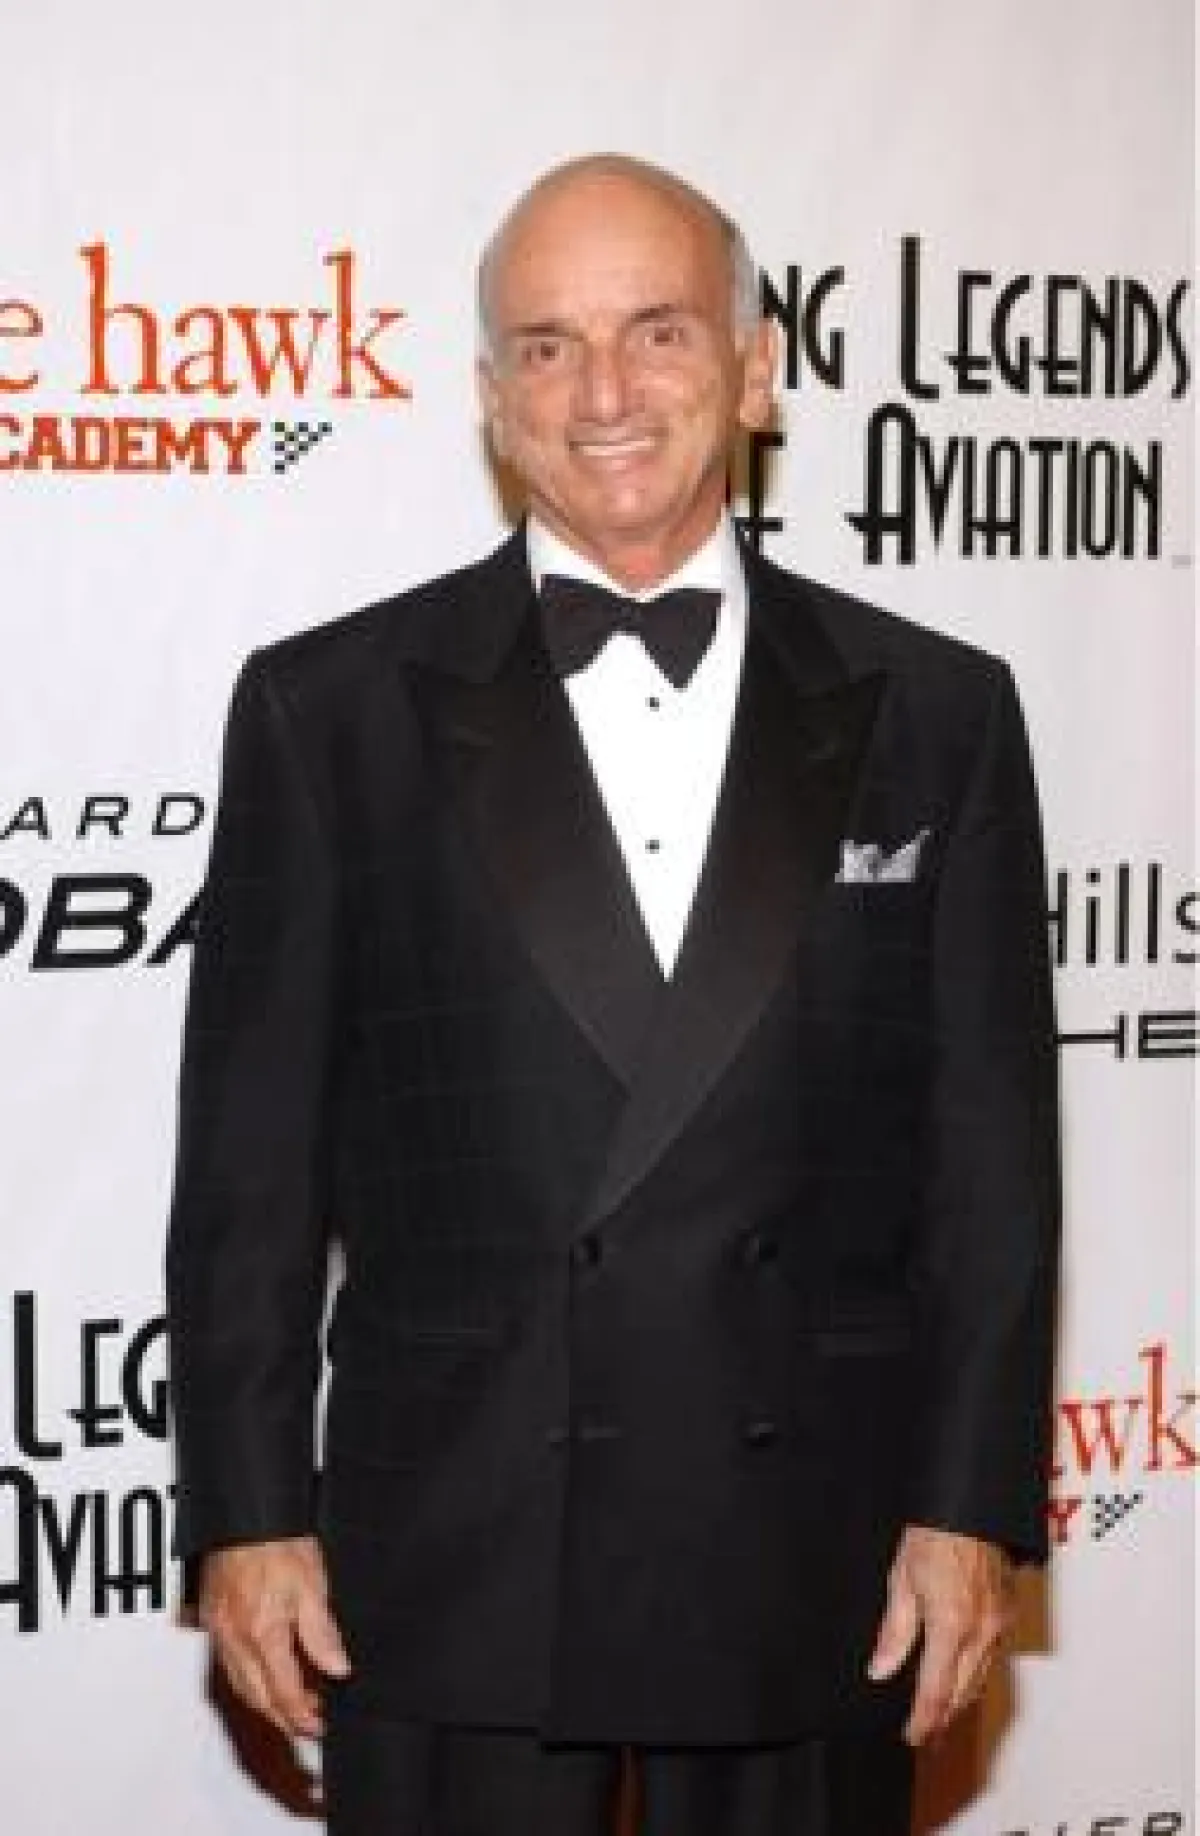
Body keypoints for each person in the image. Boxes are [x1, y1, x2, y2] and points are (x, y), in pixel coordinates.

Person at [166, 154, 1060, 1836]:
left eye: (657, 331)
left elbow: (992, 1166)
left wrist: (966, 1507)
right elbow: (247, 1167)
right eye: (548, 346)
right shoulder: (327, 712)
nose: (604, 394)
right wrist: (248, 1510)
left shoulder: (939, 713)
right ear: (492, 401)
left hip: (818, 1541)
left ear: (755, 367)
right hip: (456, 1537)